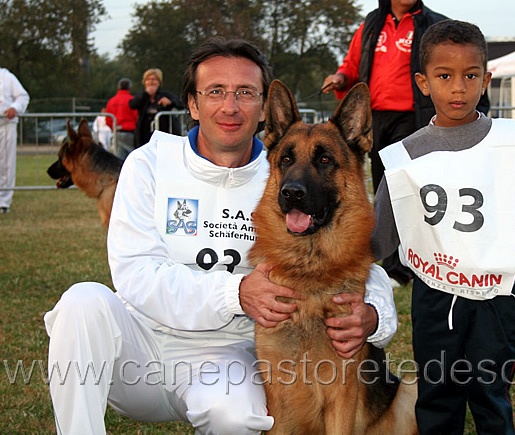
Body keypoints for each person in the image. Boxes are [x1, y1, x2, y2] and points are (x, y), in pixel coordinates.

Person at [44, 37, 398, 434]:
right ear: (193, 104)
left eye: (245, 93)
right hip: (138, 348)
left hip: (222, 356)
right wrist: (236, 293)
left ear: (264, 108)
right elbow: (135, 275)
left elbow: (354, 263)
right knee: (81, 303)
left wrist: (375, 316)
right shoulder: (149, 163)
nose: (230, 106)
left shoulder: (279, 176)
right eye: (215, 92)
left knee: (242, 416)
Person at [371, 20, 515, 434]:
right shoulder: (405, 156)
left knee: (491, 395)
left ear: (486, 79)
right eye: (444, 76)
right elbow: (379, 235)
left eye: (470, 76)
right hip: (434, 298)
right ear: (423, 82)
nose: (458, 88)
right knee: (437, 395)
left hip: (496, 297)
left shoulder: (508, 144)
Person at [322, 0, 491, 287]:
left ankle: (406, 266)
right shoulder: (372, 24)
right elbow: (352, 64)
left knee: (410, 192)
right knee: (384, 190)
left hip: (414, 118)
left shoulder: (433, 25)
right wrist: (340, 78)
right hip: (375, 120)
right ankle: (388, 261)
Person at [0, 67, 30, 214]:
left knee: (6, 164)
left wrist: (14, 107)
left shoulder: (7, 77)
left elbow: (23, 96)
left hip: (6, 125)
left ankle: (4, 202)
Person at [129, 68, 183, 148]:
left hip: (164, 134)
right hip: (144, 134)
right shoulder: (142, 96)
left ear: (159, 82)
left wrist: (171, 102)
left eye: (154, 79)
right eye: (148, 79)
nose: (151, 82)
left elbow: (181, 104)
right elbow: (132, 104)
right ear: (144, 82)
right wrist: (146, 94)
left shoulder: (165, 94)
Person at [105, 78, 138, 159]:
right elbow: (137, 117)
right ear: (130, 88)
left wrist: (114, 129)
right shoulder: (132, 100)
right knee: (133, 158)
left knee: (118, 160)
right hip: (131, 134)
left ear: (118, 87)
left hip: (117, 133)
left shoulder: (111, 101)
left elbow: (108, 120)